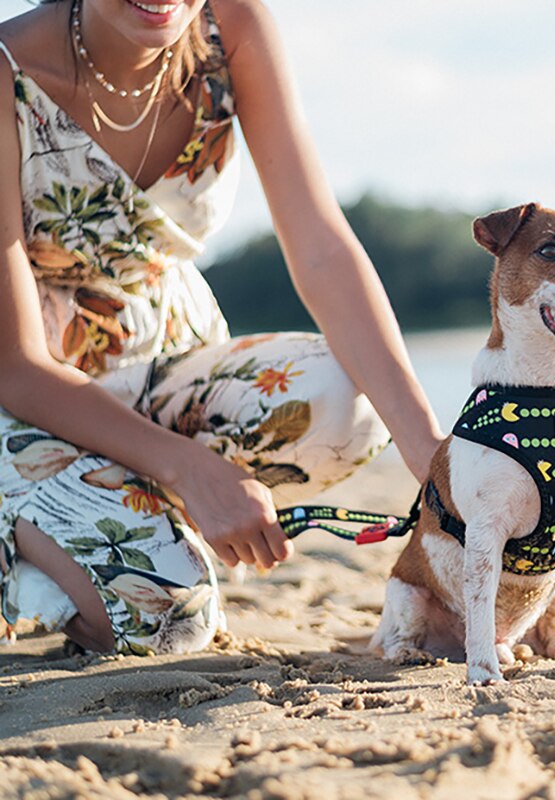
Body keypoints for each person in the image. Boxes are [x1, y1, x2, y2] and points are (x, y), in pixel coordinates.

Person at [0, 0, 442, 656]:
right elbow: (17, 368)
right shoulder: (9, 70)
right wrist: (190, 470)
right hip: (30, 403)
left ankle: (137, 513)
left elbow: (319, 248)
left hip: (166, 361)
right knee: (172, 617)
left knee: (352, 406)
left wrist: (434, 460)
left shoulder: (231, 27)